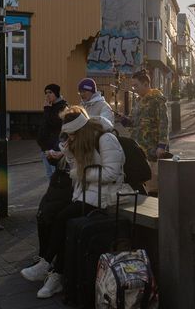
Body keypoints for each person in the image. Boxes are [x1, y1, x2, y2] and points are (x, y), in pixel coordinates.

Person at [20, 106, 129, 298]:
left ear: (80, 131)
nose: (69, 138)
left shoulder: (105, 138)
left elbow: (113, 173)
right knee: (59, 219)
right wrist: (69, 153)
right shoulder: (81, 142)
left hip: (106, 195)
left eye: (71, 134)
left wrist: (83, 173)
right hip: (86, 194)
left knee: (63, 218)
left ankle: (48, 266)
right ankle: (55, 274)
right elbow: (76, 169)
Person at [119, 70, 168, 195]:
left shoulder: (157, 100)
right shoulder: (138, 101)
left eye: (136, 86)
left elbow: (163, 123)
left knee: (153, 182)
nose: (134, 89)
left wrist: (162, 145)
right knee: (141, 180)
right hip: (138, 147)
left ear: (146, 84)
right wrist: (126, 121)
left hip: (151, 148)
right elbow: (133, 121)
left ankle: (155, 207)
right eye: (133, 86)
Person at [37, 84, 68, 179]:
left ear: (56, 93)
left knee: (55, 177)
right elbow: (44, 126)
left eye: (50, 92)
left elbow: (54, 124)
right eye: (46, 93)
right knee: (50, 175)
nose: (47, 95)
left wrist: (47, 109)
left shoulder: (62, 107)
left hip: (54, 148)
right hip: (45, 148)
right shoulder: (50, 106)